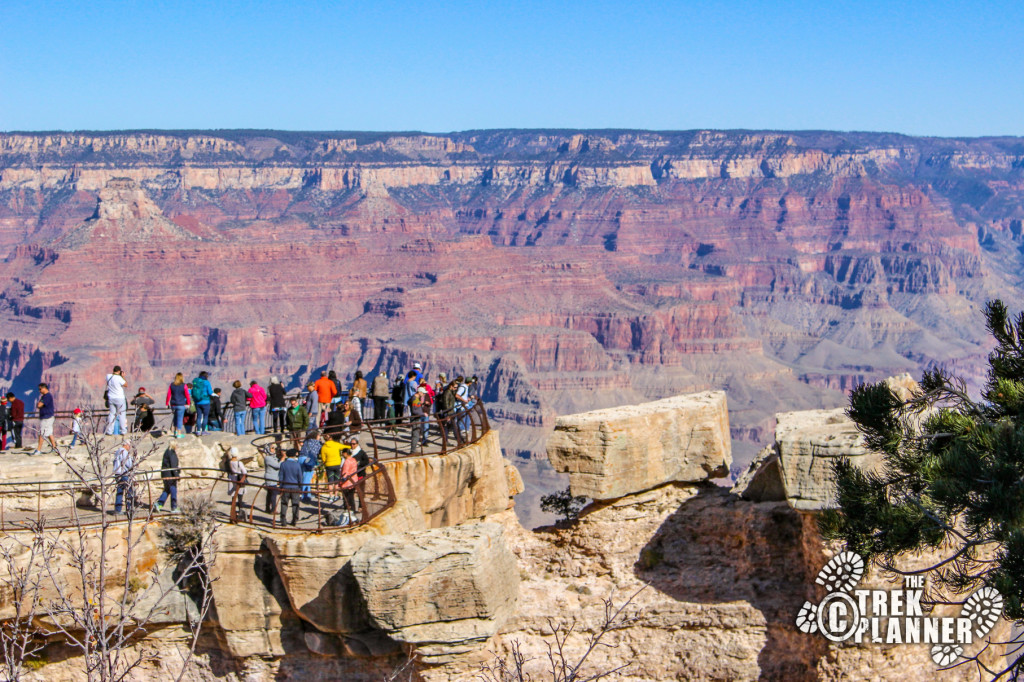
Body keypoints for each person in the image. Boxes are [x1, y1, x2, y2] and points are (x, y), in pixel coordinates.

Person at [277, 448, 303, 526]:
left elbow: (280, 476)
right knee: (295, 504)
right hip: (295, 487)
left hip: (285, 486)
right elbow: (300, 477)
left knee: (284, 504)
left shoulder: (283, 464)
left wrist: (281, 486)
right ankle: (294, 520)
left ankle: (283, 520)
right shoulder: (297, 464)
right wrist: (300, 486)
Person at [32, 383, 57, 456]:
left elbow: (39, 405)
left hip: (47, 417)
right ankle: (54, 448)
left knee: (42, 433)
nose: (39, 391)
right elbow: (38, 405)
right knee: (49, 433)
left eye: (40, 389)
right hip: (47, 416)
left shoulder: (47, 396)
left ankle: (38, 450)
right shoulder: (44, 396)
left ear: (44, 388)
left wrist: (39, 404)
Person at [154, 444, 179, 512]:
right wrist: (177, 475)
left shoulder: (167, 452)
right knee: (173, 490)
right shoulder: (171, 453)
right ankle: (174, 507)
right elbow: (173, 465)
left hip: (165, 474)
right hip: (170, 476)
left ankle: (159, 504)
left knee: (167, 490)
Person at [166, 373, 191, 439]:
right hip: (181, 404)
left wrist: (167, 403)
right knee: (180, 418)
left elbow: (168, 394)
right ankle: (179, 433)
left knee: (175, 417)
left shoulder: (171, 385)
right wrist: (188, 403)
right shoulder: (184, 385)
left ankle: (175, 431)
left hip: (173, 404)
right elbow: (187, 395)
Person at [298, 430, 321, 502]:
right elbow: (317, 452)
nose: (320, 437)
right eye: (319, 436)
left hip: (301, 458)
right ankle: (304, 495)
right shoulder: (316, 443)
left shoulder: (306, 441)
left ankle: (307, 494)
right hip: (308, 460)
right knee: (307, 478)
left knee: (303, 476)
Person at [113, 440, 135, 514]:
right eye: (129, 446)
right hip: (124, 473)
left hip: (117, 473)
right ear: (126, 445)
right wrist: (133, 464)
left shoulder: (117, 451)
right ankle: (129, 509)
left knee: (120, 491)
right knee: (130, 490)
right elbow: (128, 463)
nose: (129, 447)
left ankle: (118, 509)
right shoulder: (124, 452)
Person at [105, 366, 128, 435]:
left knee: (112, 414)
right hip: (120, 398)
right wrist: (123, 376)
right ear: (119, 371)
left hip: (111, 398)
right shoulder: (119, 378)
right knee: (122, 414)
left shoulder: (108, 376)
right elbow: (126, 384)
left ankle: (109, 431)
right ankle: (123, 431)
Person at [339, 445, 359, 519]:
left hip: (347, 483)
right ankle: (353, 510)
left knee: (346, 499)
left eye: (342, 453)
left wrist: (341, 481)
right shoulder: (353, 459)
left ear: (345, 453)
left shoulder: (347, 461)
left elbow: (345, 473)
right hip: (353, 480)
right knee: (351, 497)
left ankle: (347, 512)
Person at [227, 447, 248, 512]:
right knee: (240, 497)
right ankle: (240, 511)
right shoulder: (239, 463)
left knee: (233, 497)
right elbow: (244, 472)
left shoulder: (229, 462)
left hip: (232, 479)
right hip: (239, 479)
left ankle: (233, 511)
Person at [263, 442, 282, 513]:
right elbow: (277, 466)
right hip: (271, 477)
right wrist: (283, 459)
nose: (274, 449)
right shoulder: (268, 458)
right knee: (273, 493)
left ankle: (268, 508)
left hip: (273, 477)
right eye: (272, 448)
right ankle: (273, 509)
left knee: (270, 493)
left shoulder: (273, 457)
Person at [408, 389, 426, 455]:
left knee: (416, 434)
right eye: (423, 393)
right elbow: (414, 411)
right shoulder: (415, 399)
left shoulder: (415, 398)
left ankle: (414, 449)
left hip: (415, 418)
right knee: (416, 434)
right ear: (419, 392)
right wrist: (423, 413)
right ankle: (413, 451)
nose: (424, 394)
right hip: (415, 418)